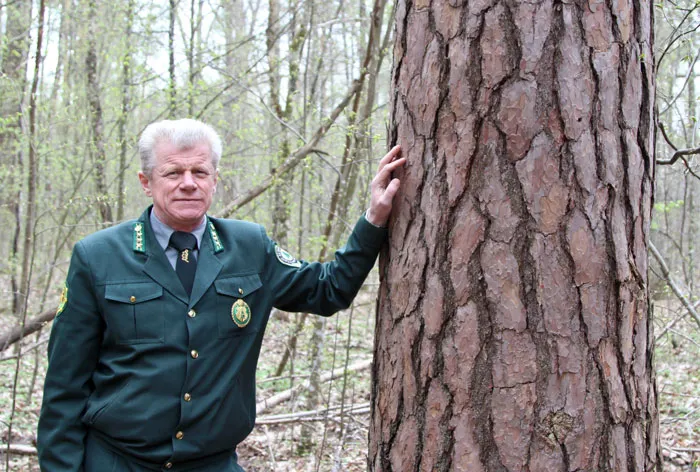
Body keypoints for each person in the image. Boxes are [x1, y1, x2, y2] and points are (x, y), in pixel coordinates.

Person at [36, 118, 405, 471]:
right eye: (172, 173)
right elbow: (64, 390)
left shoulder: (249, 247)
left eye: (199, 172)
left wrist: (373, 218)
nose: (188, 183)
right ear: (146, 181)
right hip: (117, 460)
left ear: (215, 180)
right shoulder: (97, 256)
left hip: (211, 462)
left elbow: (329, 290)